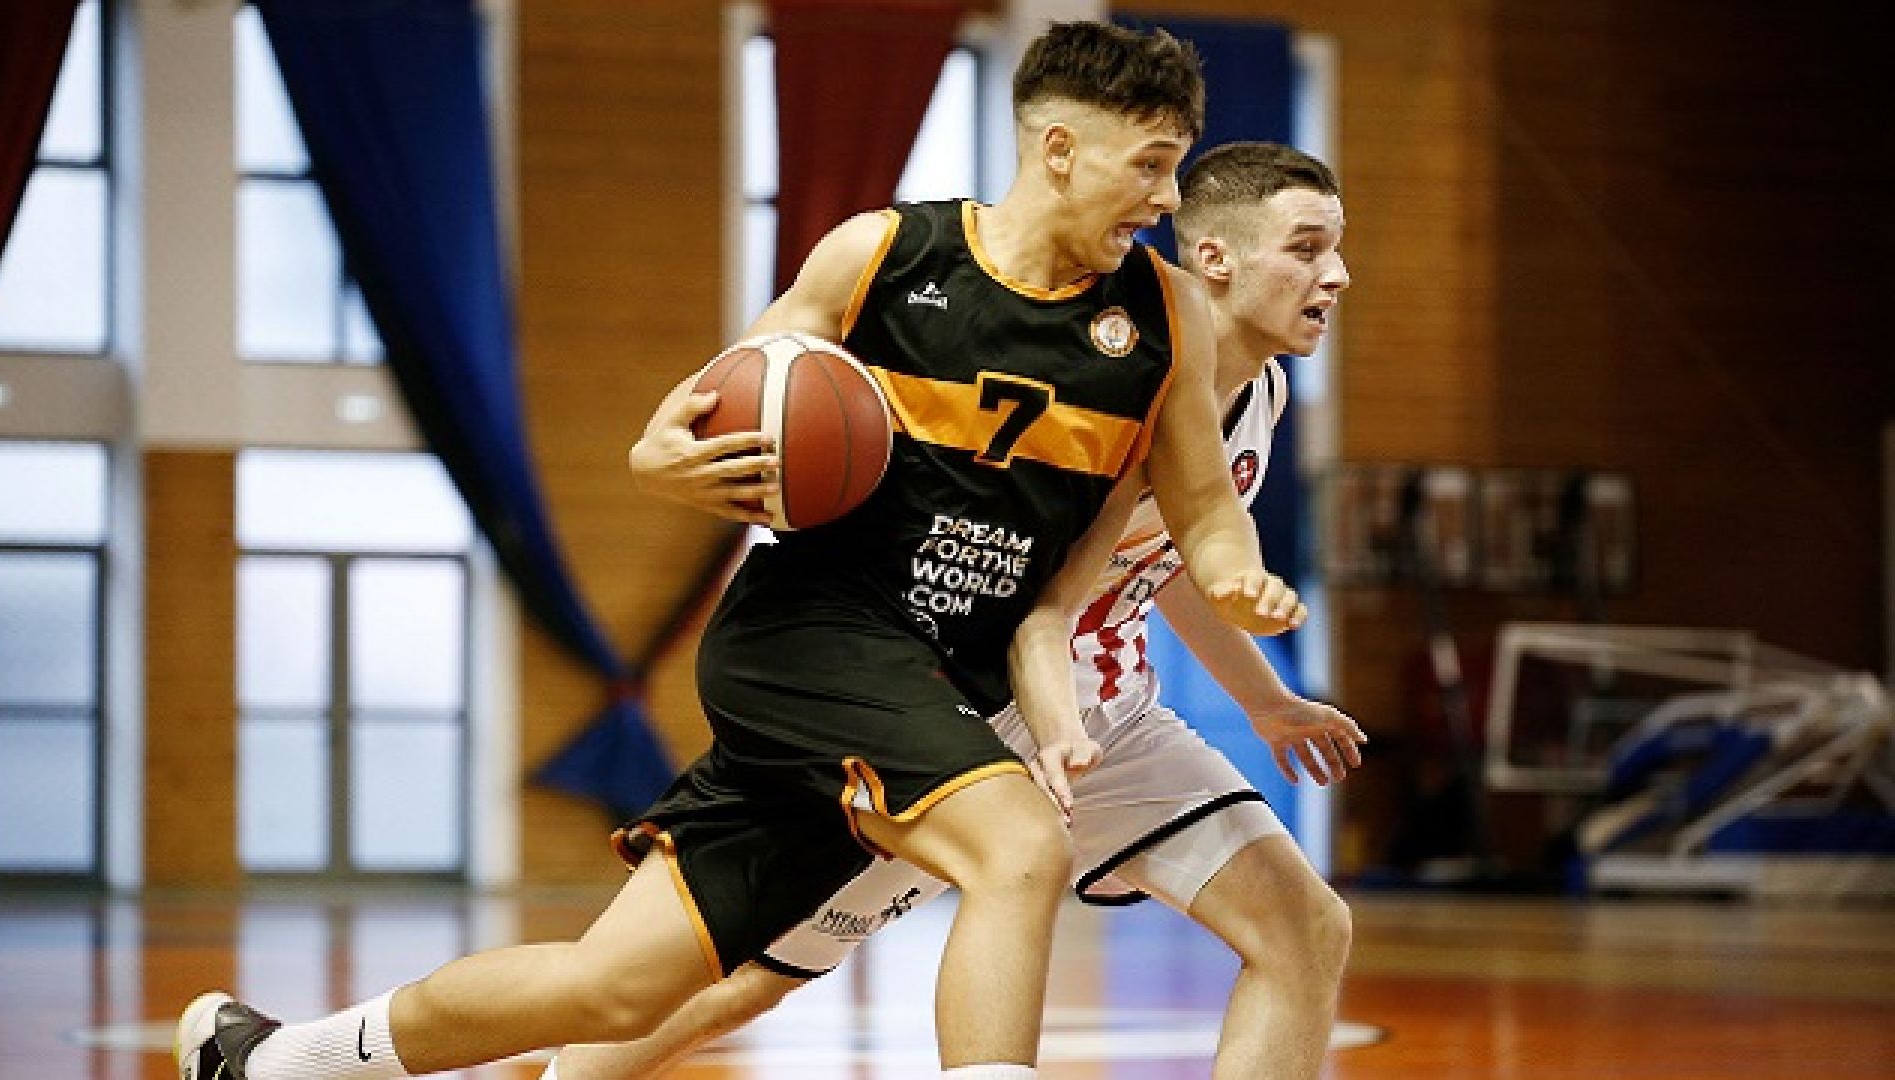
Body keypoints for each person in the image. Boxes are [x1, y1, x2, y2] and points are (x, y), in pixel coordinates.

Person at [176, 23, 1303, 1080]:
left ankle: (272, 1061)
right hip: (815, 633)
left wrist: (1233, 574)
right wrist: (657, 461)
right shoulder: (884, 255)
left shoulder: (1163, 316)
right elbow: (722, 402)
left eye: (1175, 169)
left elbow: (1205, 506)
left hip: (937, 679)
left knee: (612, 989)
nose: (1165, 200)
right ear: (1059, 149)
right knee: (1018, 846)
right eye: (1150, 166)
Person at [541, 142, 1359, 1080]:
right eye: (1308, 248)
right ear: (1215, 257)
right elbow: (1042, 601)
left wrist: (1265, 701)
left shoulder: (1263, 393)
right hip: (979, 719)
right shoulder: (1122, 385)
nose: (1336, 276)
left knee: (1305, 927)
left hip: (1113, 720)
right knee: (747, 979)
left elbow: (1165, 564)